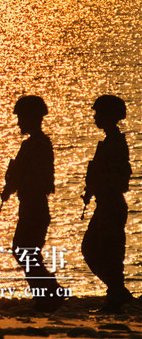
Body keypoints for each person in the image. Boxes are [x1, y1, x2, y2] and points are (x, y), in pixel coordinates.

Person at [0, 95, 64, 312]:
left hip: (34, 205)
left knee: (24, 249)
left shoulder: (36, 145)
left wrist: (13, 182)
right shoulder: (37, 144)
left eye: (21, 118)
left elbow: (33, 177)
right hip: (31, 204)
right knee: (26, 249)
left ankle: (49, 292)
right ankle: (47, 292)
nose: (19, 123)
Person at [81, 95, 133, 313]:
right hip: (105, 205)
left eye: (98, 113)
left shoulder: (115, 144)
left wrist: (99, 183)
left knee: (102, 252)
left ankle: (117, 294)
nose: (95, 117)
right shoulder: (109, 143)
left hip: (111, 206)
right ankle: (117, 293)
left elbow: (120, 178)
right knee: (95, 250)